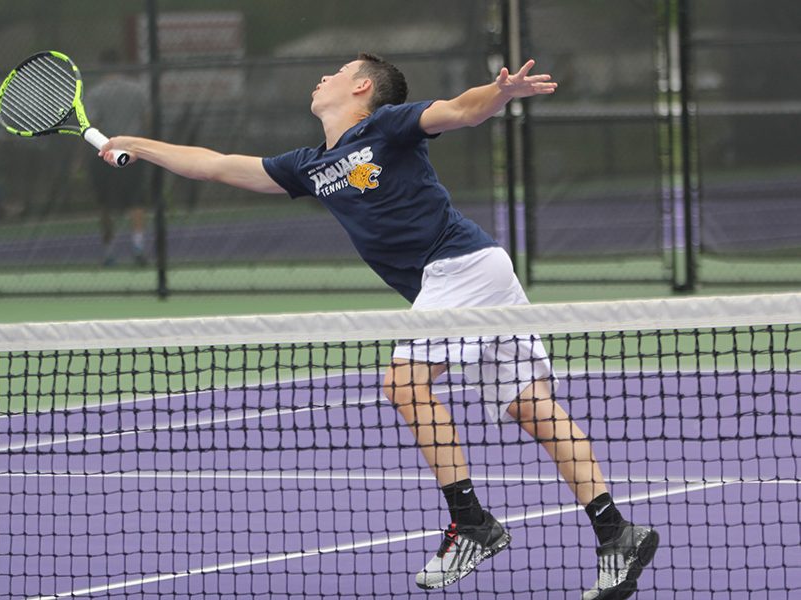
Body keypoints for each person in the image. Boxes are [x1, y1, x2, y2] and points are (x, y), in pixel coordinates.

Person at [99, 53, 658, 599]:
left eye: (337, 73)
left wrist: (501, 94)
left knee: (403, 382)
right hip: (472, 275)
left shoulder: (389, 127)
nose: (323, 77)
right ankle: (617, 533)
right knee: (531, 407)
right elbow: (217, 164)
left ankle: (472, 524)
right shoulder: (308, 165)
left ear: (364, 88)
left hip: (458, 266)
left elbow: (462, 110)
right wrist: (139, 145)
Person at [84, 49, 150, 266]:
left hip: (106, 153)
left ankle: (109, 252)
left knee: (104, 204)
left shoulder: (96, 94)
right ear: (120, 64)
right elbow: (146, 120)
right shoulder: (137, 90)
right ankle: (138, 248)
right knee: (137, 201)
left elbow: (93, 125)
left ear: (102, 67)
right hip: (134, 153)